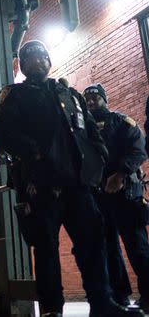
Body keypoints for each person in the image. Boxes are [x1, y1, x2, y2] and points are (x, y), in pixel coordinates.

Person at [0, 40, 142, 317]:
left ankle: (102, 303)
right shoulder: (17, 96)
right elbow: (3, 133)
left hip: (78, 186)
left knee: (93, 242)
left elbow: (89, 133)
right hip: (42, 186)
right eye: (30, 58)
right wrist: (35, 153)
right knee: (47, 248)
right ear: (23, 66)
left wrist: (97, 157)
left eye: (42, 57)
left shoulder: (70, 94)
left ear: (49, 62)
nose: (37, 61)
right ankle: (52, 310)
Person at [83, 84, 149, 310]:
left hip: (126, 194)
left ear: (105, 99)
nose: (91, 102)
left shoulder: (121, 122)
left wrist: (120, 174)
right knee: (108, 248)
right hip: (99, 198)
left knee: (137, 245)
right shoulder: (84, 131)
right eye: (87, 99)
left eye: (95, 97)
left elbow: (139, 149)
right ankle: (119, 296)